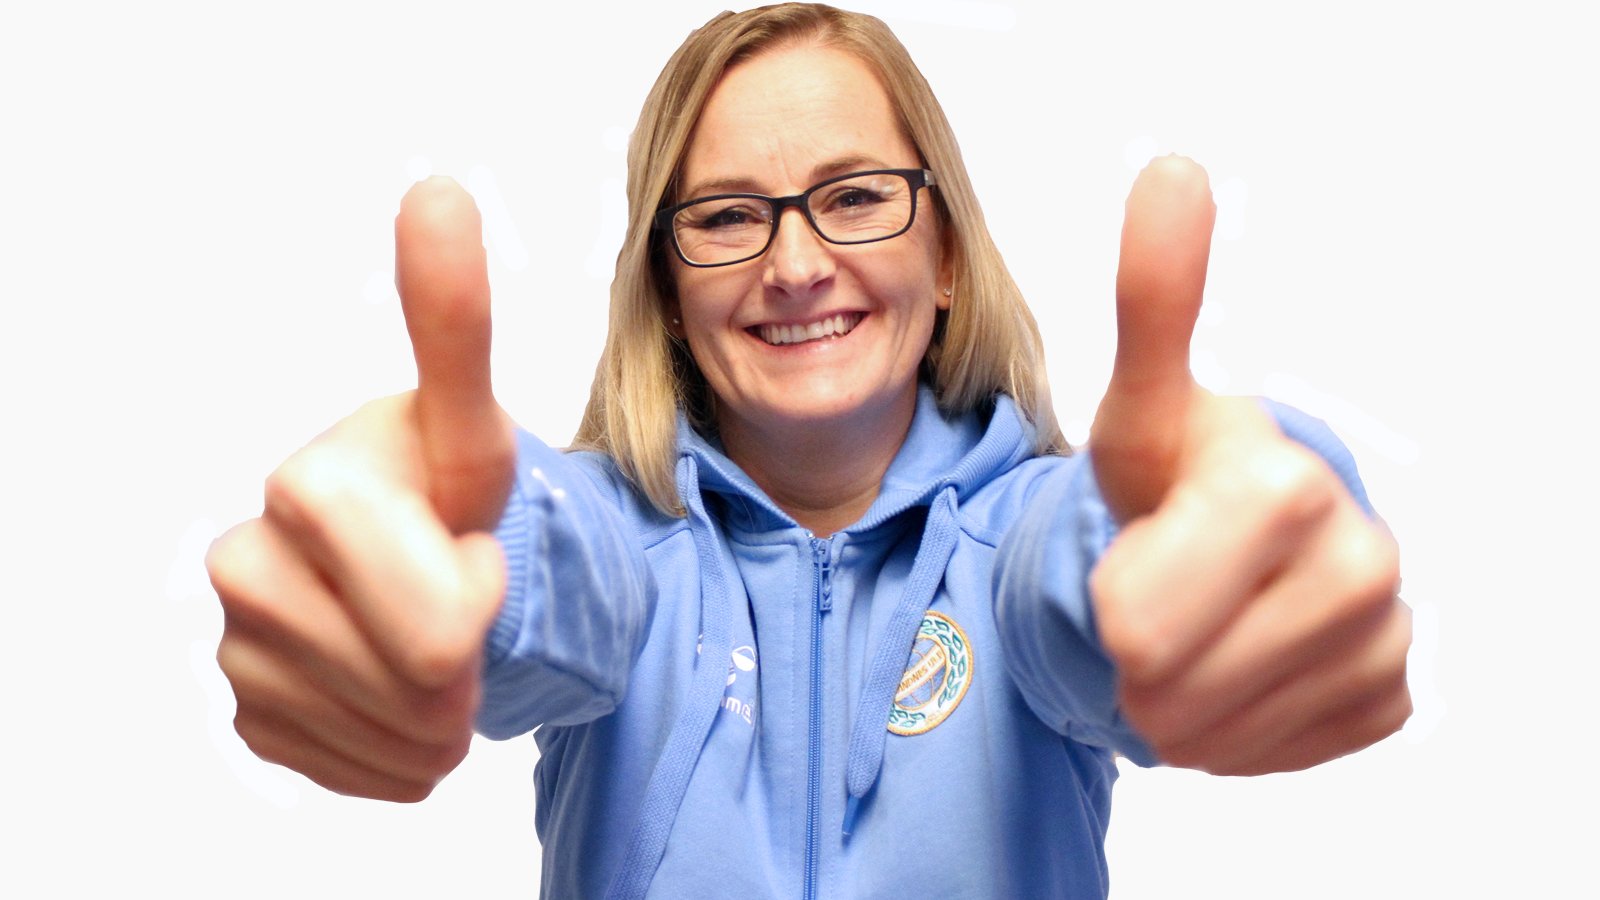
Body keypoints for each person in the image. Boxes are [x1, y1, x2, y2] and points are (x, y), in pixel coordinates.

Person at [206, 3, 1412, 898]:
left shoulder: (1026, 545)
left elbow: (1091, 577)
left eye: (854, 197)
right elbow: (548, 578)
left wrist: (1234, 541)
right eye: (727, 215)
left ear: (946, 256)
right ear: (667, 294)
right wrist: (443, 564)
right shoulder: (616, 550)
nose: (793, 265)